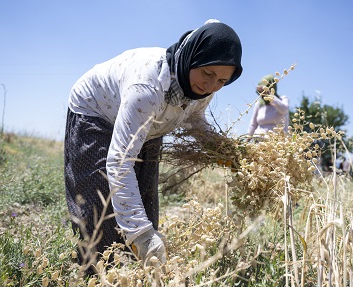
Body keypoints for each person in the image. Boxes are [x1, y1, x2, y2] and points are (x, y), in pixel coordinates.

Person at [64, 20, 243, 273]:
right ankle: (99, 280)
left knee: (145, 196)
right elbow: (120, 161)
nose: (211, 86)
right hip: (96, 110)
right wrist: (141, 235)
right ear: (194, 57)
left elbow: (194, 117)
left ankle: (136, 272)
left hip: (149, 121)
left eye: (222, 81)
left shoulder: (202, 87)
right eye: (208, 74)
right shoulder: (147, 88)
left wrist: (219, 148)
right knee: (99, 198)